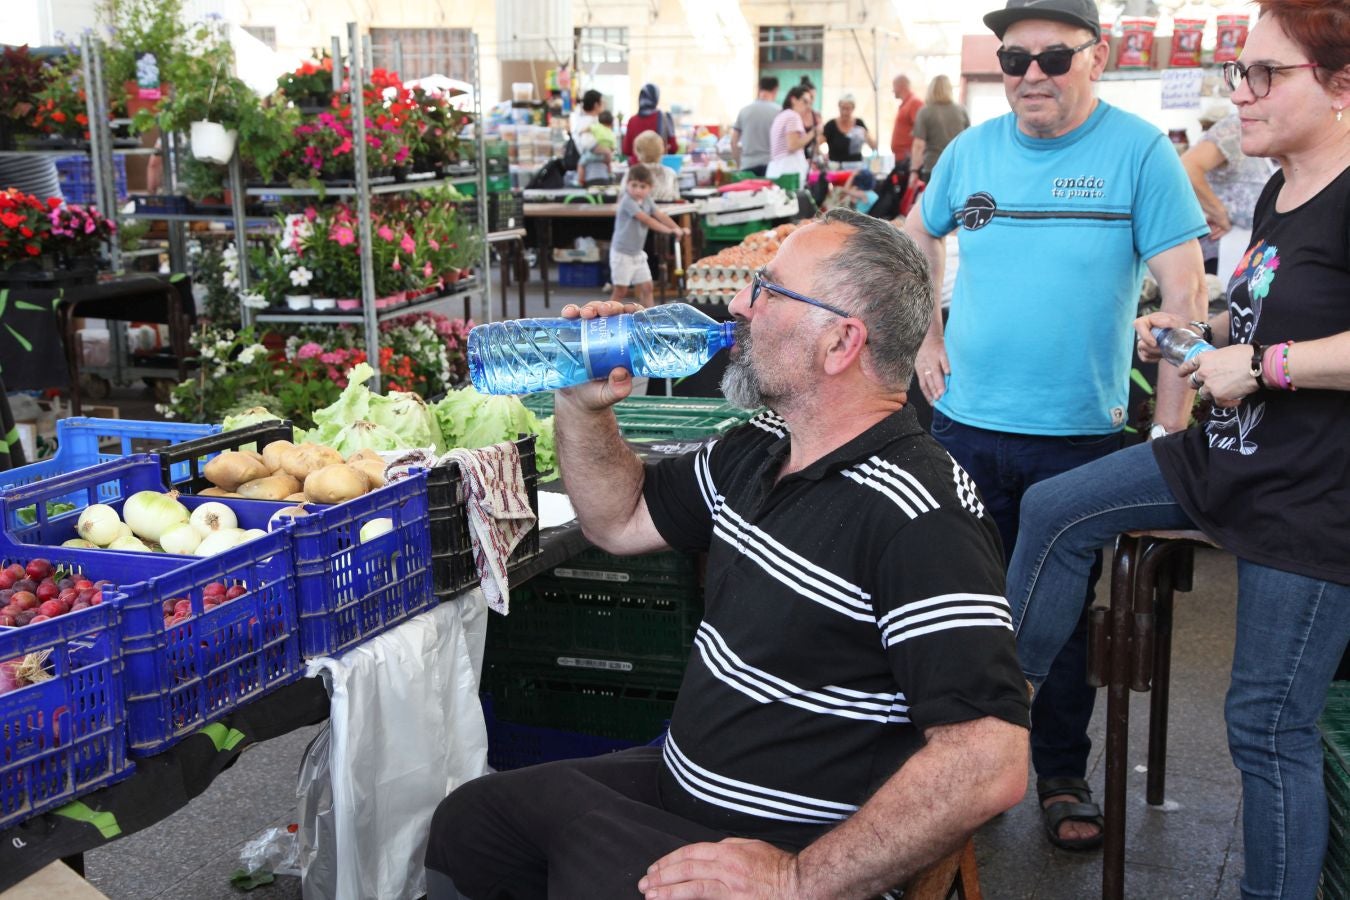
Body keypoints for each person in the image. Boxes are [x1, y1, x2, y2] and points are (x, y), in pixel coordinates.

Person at [423, 208, 1031, 899]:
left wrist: (796, 880)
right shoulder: (763, 444)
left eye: (767, 291)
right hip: (681, 789)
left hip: (790, 848)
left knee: (587, 868)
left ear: (839, 343)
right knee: (472, 825)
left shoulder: (920, 514)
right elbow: (618, 520)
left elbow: (990, 759)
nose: (737, 305)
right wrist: (585, 406)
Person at [1010, 4, 1350, 893]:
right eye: (1242, 72)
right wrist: (1196, 333)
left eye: (1266, 74)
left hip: (1315, 492)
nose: (1243, 92)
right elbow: (1273, 316)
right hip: (1231, 452)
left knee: (1265, 726)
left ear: (1344, 85)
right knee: (1056, 508)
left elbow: (1289, 352)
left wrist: (1267, 364)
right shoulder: (1282, 187)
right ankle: (993, 721)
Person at [902, 0, 1208, 852]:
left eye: (1052, 57)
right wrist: (927, 332)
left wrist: (1170, 439)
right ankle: (966, 769)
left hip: (1079, 435)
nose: (1031, 74)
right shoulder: (970, 151)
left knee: (1060, 619)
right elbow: (913, 240)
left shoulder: (1138, 151)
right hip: (965, 426)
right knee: (960, 608)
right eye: (1013, 58)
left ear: (1096, 58)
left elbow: (1186, 297)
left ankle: (1059, 774)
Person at [1182, 108, 1276, 277]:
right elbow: (1188, 167)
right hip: (1224, 250)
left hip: (1263, 248)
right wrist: (1219, 213)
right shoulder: (1238, 126)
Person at [606, 164, 687, 308]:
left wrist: (677, 228)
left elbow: (660, 215)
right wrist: (669, 231)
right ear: (627, 184)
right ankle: (604, 316)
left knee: (647, 287)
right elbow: (647, 220)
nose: (637, 190)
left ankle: (648, 319)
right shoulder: (627, 201)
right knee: (620, 290)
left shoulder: (647, 200)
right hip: (622, 253)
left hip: (637, 253)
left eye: (642, 187)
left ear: (650, 188)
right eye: (634, 185)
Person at [908, 75, 969, 187]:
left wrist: (914, 171)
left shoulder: (925, 112)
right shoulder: (961, 110)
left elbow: (918, 145)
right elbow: (969, 140)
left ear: (931, 90)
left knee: (934, 203)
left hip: (933, 167)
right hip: (957, 167)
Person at [731, 75, 780, 175]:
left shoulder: (744, 111)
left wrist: (739, 163)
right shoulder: (780, 112)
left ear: (759, 89)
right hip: (771, 166)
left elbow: (733, 142)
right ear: (775, 90)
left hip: (748, 165)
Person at [766, 85, 816, 181]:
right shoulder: (793, 116)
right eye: (805, 102)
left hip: (777, 169)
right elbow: (792, 145)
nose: (808, 107)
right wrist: (813, 133)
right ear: (793, 99)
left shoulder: (782, 115)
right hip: (789, 171)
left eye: (810, 103)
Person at [623, 83, 677, 165]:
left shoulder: (632, 121)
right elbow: (673, 147)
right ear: (656, 98)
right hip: (658, 168)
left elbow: (626, 150)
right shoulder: (665, 118)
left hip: (637, 169)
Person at [619, 130, 680, 201]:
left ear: (637, 151)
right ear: (661, 150)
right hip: (666, 211)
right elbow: (676, 198)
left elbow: (622, 198)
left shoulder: (631, 173)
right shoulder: (670, 173)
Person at [822, 93, 877, 166]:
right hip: (835, 167)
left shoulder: (859, 123)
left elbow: (874, 146)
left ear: (853, 108)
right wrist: (822, 156)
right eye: (842, 108)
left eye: (848, 109)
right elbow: (817, 145)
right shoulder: (831, 125)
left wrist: (865, 135)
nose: (844, 112)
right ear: (839, 107)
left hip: (855, 167)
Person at [890, 74, 924, 184]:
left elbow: (920, 130)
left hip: (908, 159)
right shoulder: (906, 104)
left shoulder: (914, 103)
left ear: (901, 86)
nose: (893, 90)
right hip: (901, 158)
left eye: (894, 87)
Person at [577, 110, 617, 186]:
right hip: (604, 157)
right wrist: (609, 154)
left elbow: (588, 129)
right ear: (611, 123)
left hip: (592, 154)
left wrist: (581, 132)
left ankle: (580, 180)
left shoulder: (597, 127)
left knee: (581, 164)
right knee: (608, 164)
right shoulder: (611, 133)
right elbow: (613, 148)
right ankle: (610, 175)